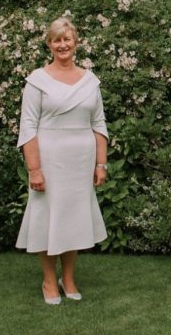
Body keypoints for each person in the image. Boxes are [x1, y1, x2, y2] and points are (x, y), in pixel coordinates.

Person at [15, 18, 109, 305]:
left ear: (76, 43)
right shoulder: (37, 80)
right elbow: (28, 126)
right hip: (49, 159)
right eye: (57, 40)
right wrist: (34, 169)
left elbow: (99, 123)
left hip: (81, 161)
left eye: (67, 39)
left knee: (73, 219)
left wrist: (101, 164)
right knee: (48, 219)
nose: (63, 44)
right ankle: (48, 280)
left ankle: (68, 278)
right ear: (49, 44)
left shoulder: (90, 81)